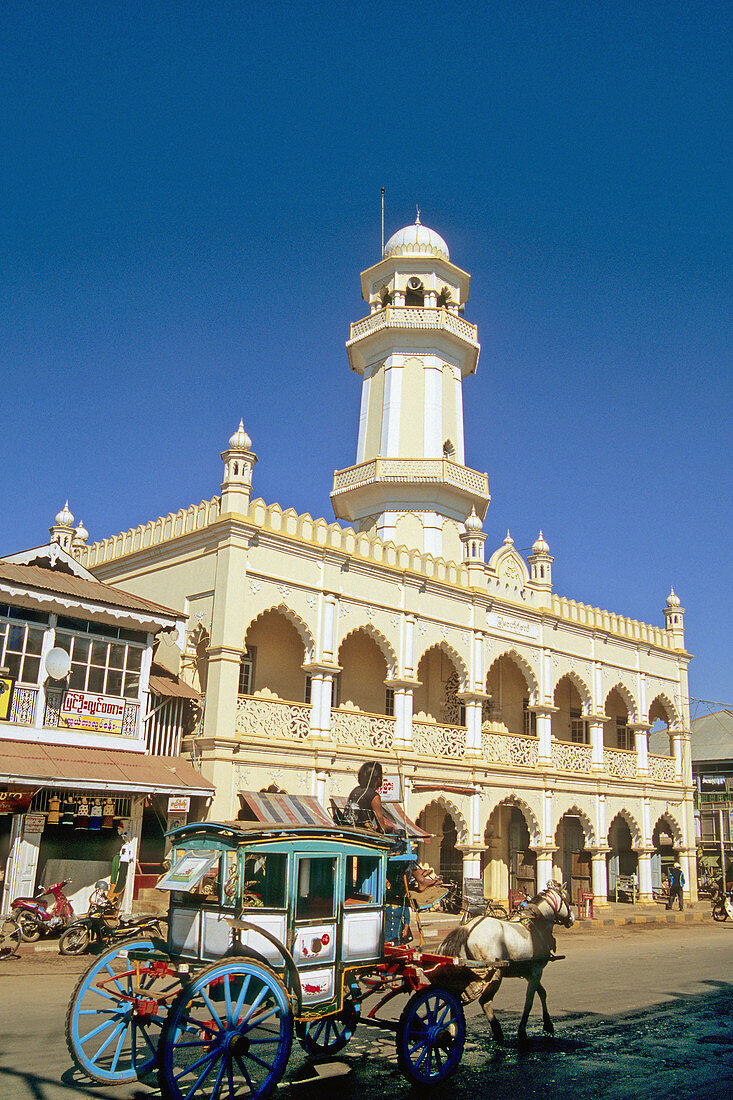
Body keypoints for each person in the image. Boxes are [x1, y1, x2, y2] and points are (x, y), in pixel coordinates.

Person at [346, 761, 443, 892]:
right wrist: (392, 828)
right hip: (367, 838)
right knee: (402, 838)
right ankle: (417, 878)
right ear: (376, 779)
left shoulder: (355, 791)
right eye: (381, 776)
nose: (382, 779)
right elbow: (382, 827)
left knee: (400, 845)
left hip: (354, 832)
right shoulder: (374, 796)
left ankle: (418, 876)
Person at [108, 822, 134, 903]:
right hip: (121, 859)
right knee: (117, 873)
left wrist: (129, 858)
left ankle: (117, 891)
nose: (124, 839)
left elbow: (131, 854)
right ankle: (112, 891)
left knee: (122, 874)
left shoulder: (129, 845)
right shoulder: (123, 845)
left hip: (125, 860)